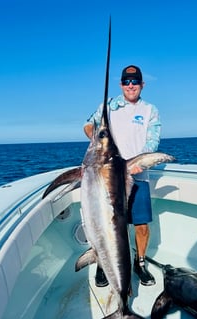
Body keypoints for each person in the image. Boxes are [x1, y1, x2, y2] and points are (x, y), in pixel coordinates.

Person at [83, 65, 161, 287]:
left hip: (137, 175)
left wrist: (138, 162)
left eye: (135, 81)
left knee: (141, 225)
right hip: (106, 176)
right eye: (126, 81)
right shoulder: (108, 107)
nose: (130, 86)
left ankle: (140, 263)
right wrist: (97, 140)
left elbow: (152, 141)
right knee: (108, 224)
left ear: (142, 85)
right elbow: (89, 125)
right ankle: (102, 263)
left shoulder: (150, 110)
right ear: (121, 85)